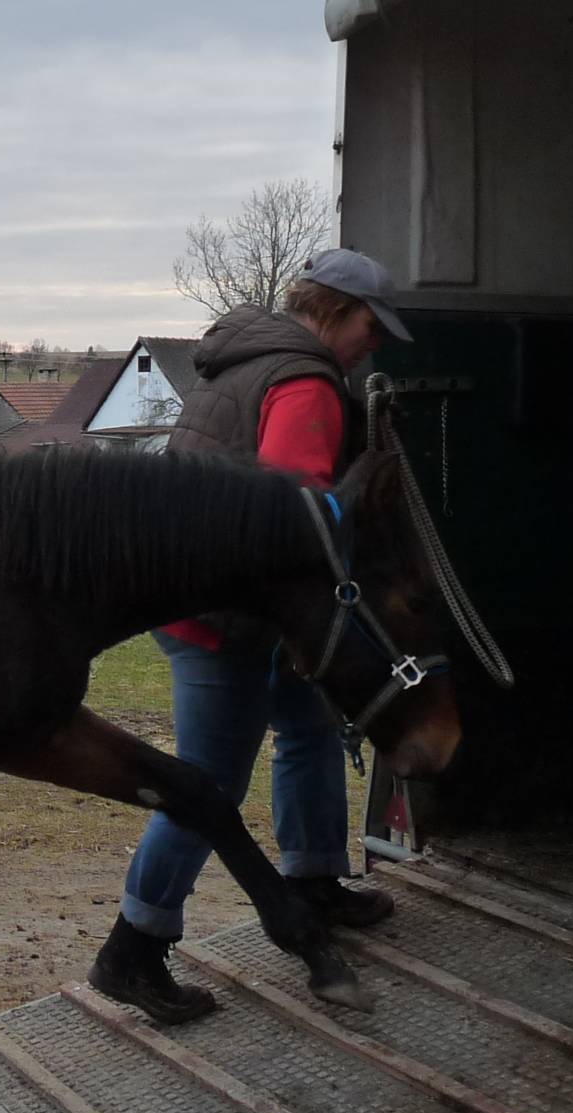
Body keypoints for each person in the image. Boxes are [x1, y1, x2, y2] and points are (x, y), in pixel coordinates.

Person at [88, 248, 413, 1024]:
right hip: (222, 616)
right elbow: (285, 519)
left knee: (305, 725)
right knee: (206, 785)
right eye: (371, 325)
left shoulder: (238, 359)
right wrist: (355, 495)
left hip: (205, 596)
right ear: (334, 309)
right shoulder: (304, 381)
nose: (375, 343)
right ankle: (132, 947)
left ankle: (312, 878)